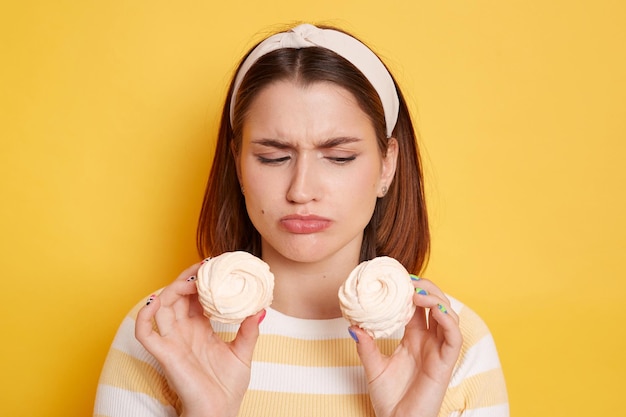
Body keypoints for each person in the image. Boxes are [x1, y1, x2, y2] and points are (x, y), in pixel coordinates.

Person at [93, 23, 509, 417]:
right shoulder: (159, 332)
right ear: (238, 165)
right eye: (273, 157)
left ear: (388, 165)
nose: (301, 189)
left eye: (338, 157)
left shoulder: (453, 342)